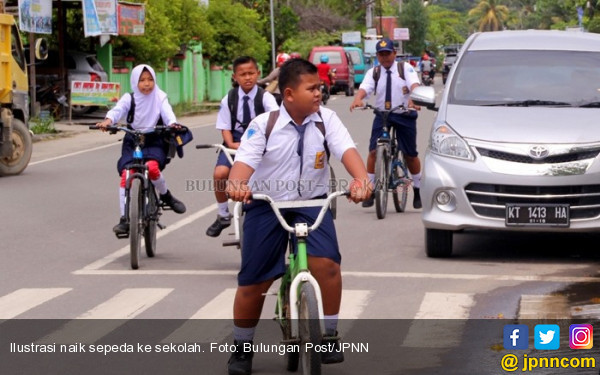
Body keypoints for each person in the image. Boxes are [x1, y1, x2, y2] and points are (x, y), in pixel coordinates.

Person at [225, 58, 372, 375]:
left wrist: (361, 180)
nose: (319, 93)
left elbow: (347, 151)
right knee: (254, 281)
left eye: (320, 87)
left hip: (312, 203)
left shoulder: (326, 120)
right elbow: (242, 165)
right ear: (289, 94)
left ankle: (329, 335)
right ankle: (241, 349)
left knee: (328, 265)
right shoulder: (263, 125)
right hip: (267, 204)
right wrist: (237, 185)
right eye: (312, 88)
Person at [96, 64, 186, 235]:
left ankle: (166, 195)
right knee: (126, 174)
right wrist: (108, 121)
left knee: (152, 167)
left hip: (155, 138)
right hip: (133, 138)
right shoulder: (129, 98)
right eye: (142, 80)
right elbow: (117, 111)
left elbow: (167, 114)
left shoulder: (160, 97)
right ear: (134, 82)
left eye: (150, 79)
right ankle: (124, 219)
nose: (147, 84)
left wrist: (172, 124)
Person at [206, 56, 279, 238]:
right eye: (243, 74)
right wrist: (231, 143)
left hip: (261, 142)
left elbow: (274, 122)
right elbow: (225, 127)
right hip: (236, 141)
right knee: (220, 174)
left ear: (258, 74)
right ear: (234, 77)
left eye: (251, 73)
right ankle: (223, 214)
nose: (247, 78)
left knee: (266, 177)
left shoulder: (266, 98)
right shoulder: (228, 99)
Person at [349, 37, 423, 209]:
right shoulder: (374, 72)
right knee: (374, 151)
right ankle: (371, 189)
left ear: (394, 54)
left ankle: (418, 189)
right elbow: (365, 88)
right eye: (381, 55)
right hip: (383, 115)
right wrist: (358, 99)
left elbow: (414, 85)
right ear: (377, 56)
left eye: (387, 54)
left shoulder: (404, 68)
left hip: (404, 113)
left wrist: (414, 99)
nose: (385, 58)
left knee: (410, 154)